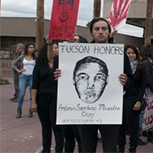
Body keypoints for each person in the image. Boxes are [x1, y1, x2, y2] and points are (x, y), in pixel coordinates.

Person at [54, 17, 130, 153]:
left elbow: (131, 81)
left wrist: (125, 80)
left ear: (109, 32)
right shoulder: (79, 52)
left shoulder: (119, 54)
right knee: (87, 147)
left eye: (104, 29)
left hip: (110, 111)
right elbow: (63, 75)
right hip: (83, 114)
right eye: (97, 29)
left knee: (110, 148)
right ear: (92, 33)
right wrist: (61, 74)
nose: (100, 32)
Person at [31, 40, 64, 153]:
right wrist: (33, 102)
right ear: (48, 49)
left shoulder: (60, 64)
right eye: (54, 47)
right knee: (46, 126)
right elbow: (34, 85)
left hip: (55, 98)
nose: (56, 50)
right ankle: (46, 150)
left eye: (58, 48)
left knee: (57, 127)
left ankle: (59, 150)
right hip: (42, 99)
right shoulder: (39, 66)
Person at [118, 45, 146, 153]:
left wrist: (139, 100)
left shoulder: (141, 67)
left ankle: (133, 148)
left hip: (133, 99)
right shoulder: (120, 66)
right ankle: (120, 148)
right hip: (121, 99)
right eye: (128, 53)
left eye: (133, 53)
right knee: (120, 126)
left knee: (133, 126)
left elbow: (143, 85)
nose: (131, 55)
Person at [140, 44, 153, 144]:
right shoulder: (147, 63)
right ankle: (149, 133)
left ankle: (145, 131)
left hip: (148, 90)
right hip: (148, 91)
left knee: (146, 113)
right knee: (149, 112)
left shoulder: (145, 62)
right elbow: (148, 78)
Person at [12, 43, 36, 118]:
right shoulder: (22, 57)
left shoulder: (35, 57)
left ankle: (30, 110)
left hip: (32, 76)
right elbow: (13, 64)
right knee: (21, 93)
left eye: (33, 47)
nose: (32, 49)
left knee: (32, 94)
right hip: (23, 76)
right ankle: (19, 110)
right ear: (27, 49)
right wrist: (19, 70)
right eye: (30, 47)